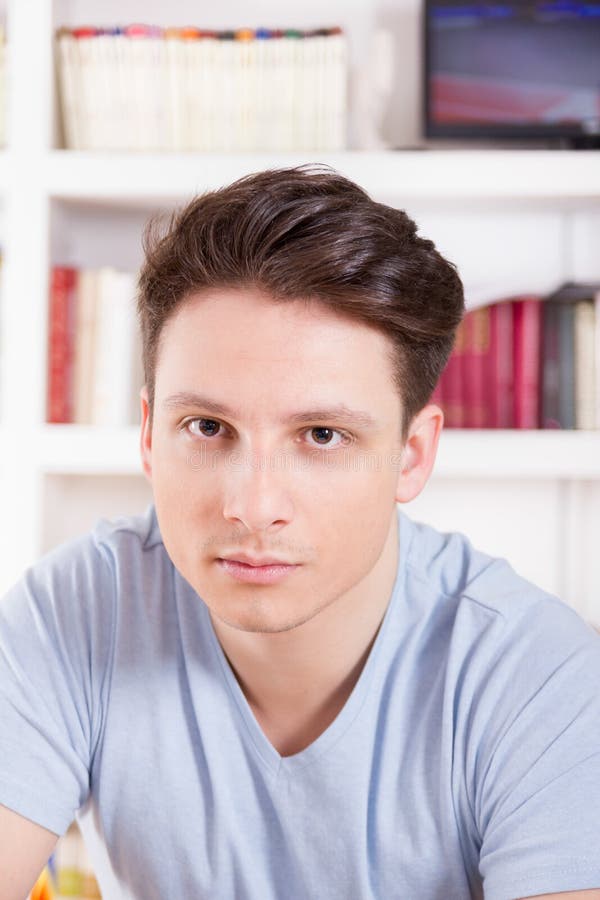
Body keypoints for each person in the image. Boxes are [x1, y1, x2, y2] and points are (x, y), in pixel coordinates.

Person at [1, 166, 599, 900]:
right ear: (151, 438)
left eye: (321, 434)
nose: (253, 505)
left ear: (412, 456)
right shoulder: (72, 613)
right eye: (207, 427)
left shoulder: (539, 676)